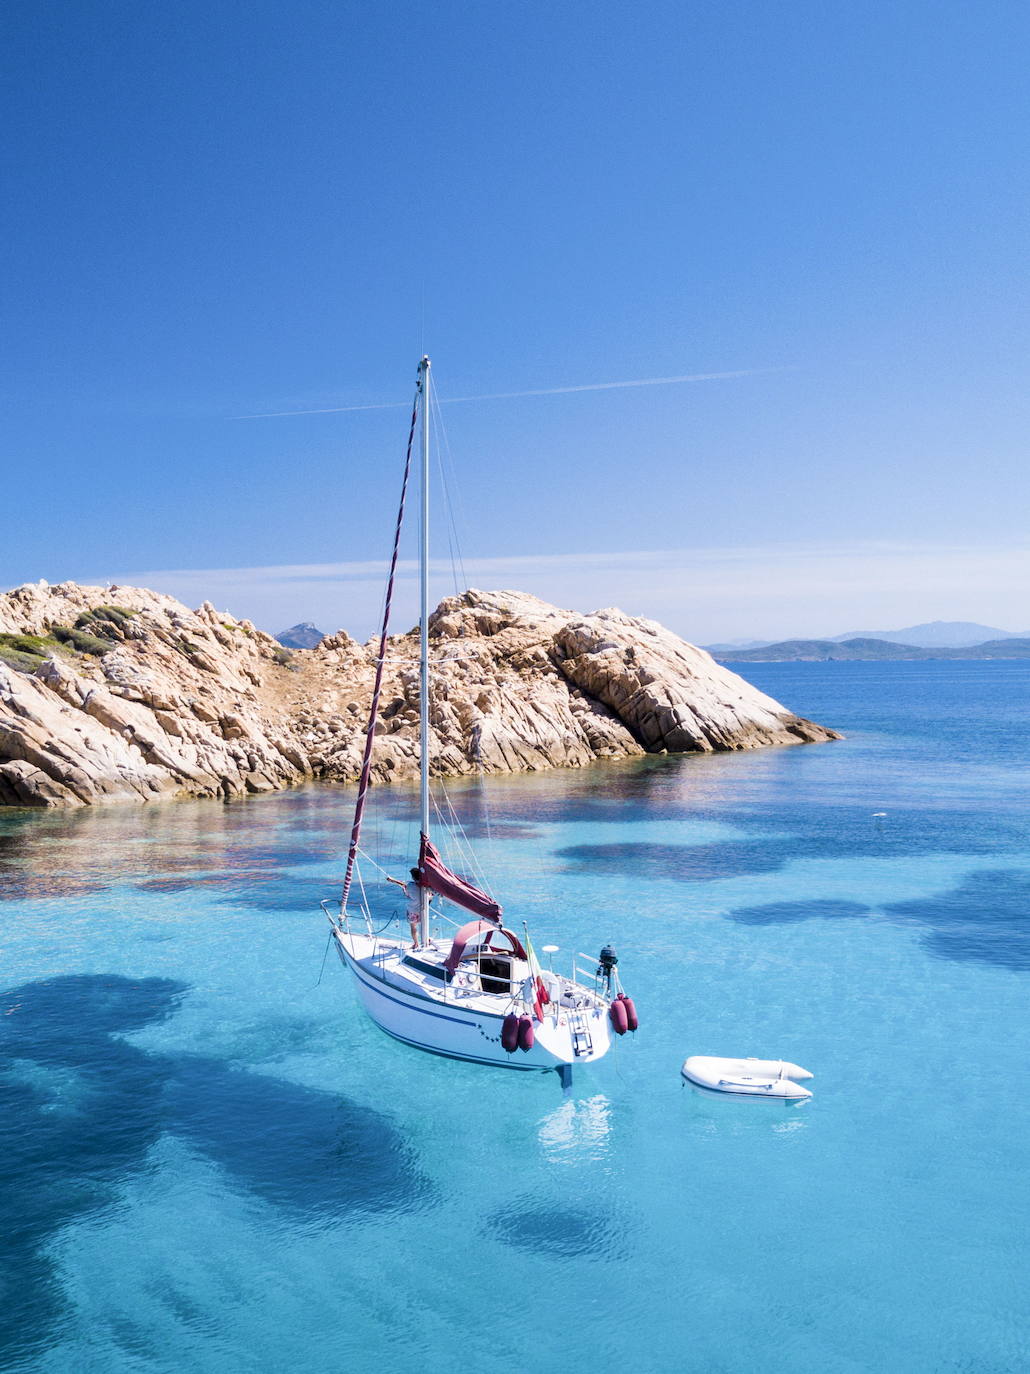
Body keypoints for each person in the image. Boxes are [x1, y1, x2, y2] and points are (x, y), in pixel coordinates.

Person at [387, 868, 423, 948]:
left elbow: (402, 884)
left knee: (413, 927)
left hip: (412, 911)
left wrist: (391, 880)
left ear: (413, 877)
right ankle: (425, 941)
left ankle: (416, 943)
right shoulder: (425, 886)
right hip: (423, 910)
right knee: (422, 926)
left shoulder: (410, 885)